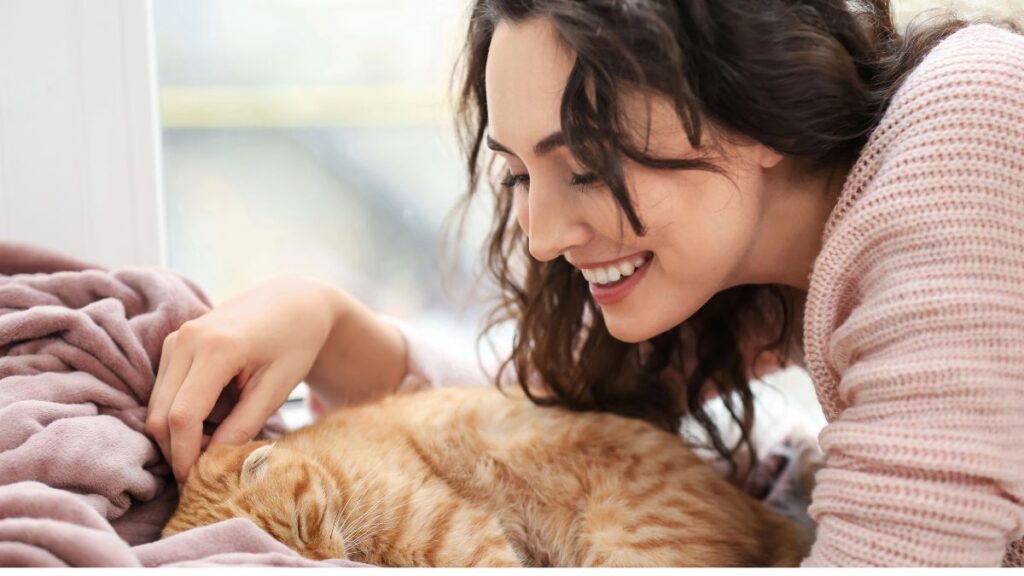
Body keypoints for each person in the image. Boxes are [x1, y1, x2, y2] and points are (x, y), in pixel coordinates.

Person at [145, 0, 1024, 567]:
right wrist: (327, 321)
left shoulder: (965, 124)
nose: (543, 234)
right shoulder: (764, 264)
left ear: (758, 103)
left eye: (589, 164)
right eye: (521, 174)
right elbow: (533, 429)